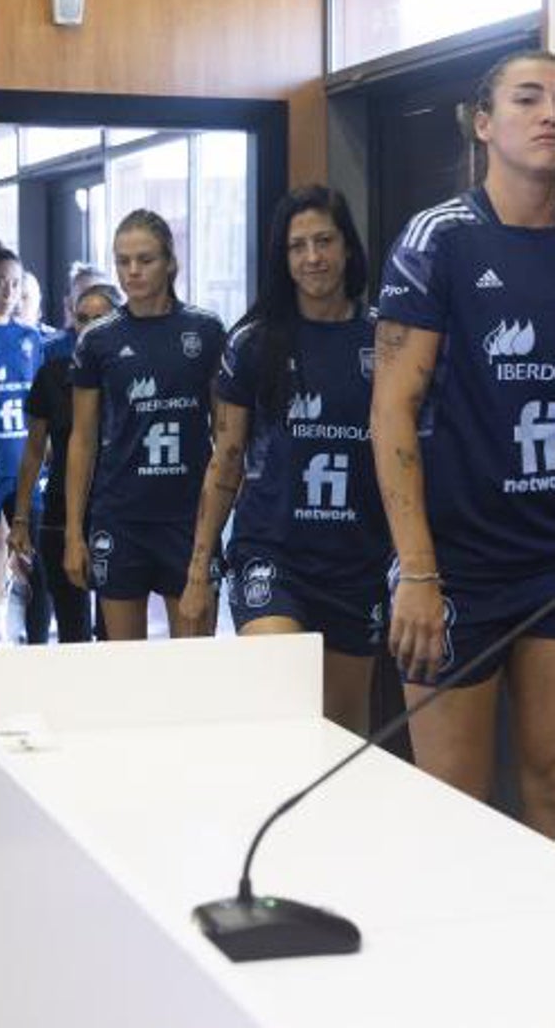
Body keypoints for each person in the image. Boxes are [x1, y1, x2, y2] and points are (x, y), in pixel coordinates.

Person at [371, 49, 555, 833]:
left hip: (549, 558)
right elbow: (391, 411)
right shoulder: (439, 237)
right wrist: (418, 572)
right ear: (484, 125)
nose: (550, 113)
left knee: (550, 777)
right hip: (458, 566)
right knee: (453, 808)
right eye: (527, 98)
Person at [179, 186, 390, 733]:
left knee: (342, 734)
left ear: (347, 249)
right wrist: (200, 572)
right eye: (298, 246)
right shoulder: (253, 343)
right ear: (283, 257)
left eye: (324, 241)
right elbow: (225, 462)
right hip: (273, 555)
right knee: (283, 711)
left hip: (356, 561)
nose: (312, 257)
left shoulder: (384, 339)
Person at [64, 210, 225, 639]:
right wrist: (73, 533)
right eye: (122, 261)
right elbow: (82, 439)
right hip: (120, 517)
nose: (132, 271)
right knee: (125, 670)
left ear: (171, 262)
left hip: (188, 520)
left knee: (193, 667)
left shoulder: (205, 330)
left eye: (145, 259)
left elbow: (227, 438)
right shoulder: (97, 339)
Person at [8, 282, 124, 642]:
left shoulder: (130, 375)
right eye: (81, 319)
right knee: (73, 631)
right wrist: (21, 518)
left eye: (99, 320)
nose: (88, 328)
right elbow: (33, 452)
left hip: (119, 514)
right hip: (62, 513)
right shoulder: (53, 375)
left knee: (113, 632)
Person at [0, 241, 44, 636]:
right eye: (0, 282)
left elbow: (39, 406)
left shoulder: (30, 338)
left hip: (25, 465)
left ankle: (35, 639)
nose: (9, 291)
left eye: (15, 283)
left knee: (32, 556)